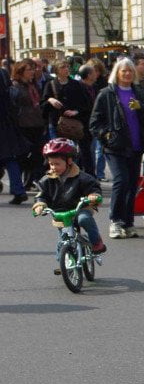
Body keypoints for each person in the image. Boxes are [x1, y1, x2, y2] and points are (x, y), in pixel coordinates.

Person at [90, 58, 144, 239]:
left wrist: (140, 108)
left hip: (135, 146)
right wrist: (107, 136)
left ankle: (128, 222)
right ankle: (116, 221)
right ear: (116, 73)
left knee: (132, 183)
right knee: (121, 181)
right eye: (123, 71)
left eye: (130, 71)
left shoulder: (139, 92)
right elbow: (95, 123)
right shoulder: (107, 94)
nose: (127, 74)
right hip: (116, 146)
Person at [31, 138, 107, 255]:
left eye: (57, 164)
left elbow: (93, 188)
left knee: (84, 219)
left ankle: (96, 241)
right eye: (51, 164)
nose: (53, 167)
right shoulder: (46, 180)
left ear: (69, 161)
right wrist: (40, 204)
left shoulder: (82, 177)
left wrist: (93, 196)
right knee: (63, 241)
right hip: (61, 213)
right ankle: (65, 262)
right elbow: (42, 195)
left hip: (80, 208)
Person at [9, 59, 47, 191]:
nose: (33, 71)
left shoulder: (34, 85)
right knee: (23, 155)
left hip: (37, 124)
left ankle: (30, 180)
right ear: (21, 72)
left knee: (38, 154)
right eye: (29, 69)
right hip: (23, 125)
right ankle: (20, 183)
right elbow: (13, 108)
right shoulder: (15, 87)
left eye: (33, 69)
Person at [1, 64, 29, 204]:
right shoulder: (3, 74)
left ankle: (18, 190)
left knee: (9, 159)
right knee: (10, 159)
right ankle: (19, 190)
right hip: (7, 124)